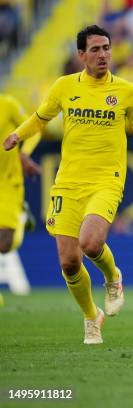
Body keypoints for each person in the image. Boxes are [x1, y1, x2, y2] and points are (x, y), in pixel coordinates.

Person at [3, 25, 133, 344]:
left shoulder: (126, 91)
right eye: (96, 50)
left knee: (90, 243)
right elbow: (41, 117)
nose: (103, 55)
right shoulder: (64, 87)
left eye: (107, 48)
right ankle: (91, 317)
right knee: (69, 261)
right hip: (68, 183)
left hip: (106, 180)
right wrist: (19, 134)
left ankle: (113, 278)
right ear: (81, 55)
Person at [0, 94, 41, 307]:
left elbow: (34, 129)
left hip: (8, 183)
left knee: (5, 244)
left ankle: (21, 216)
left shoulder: (8, 105)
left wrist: (24, 154)